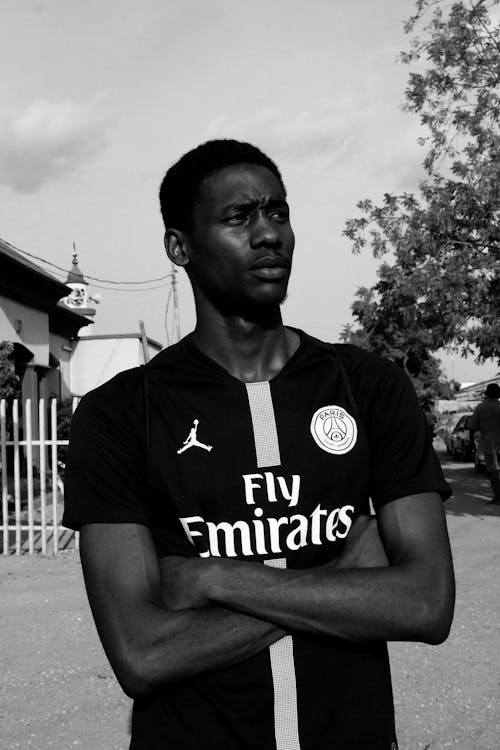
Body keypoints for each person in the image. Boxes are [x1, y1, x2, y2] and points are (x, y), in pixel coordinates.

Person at [63, 139, 455, 750]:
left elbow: (427, 603)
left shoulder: (368, 386)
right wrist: (345, 578)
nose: (269, 233)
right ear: (179, 246)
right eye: (239, 217)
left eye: (278, 212)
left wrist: (215, 578)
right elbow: (143, 653)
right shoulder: (121, 415)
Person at [470, 383, 500, 504]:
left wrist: (472, 443)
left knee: (494, 471)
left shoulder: (481, 408)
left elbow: (472, 426)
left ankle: (498, 497)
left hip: (489, 444)